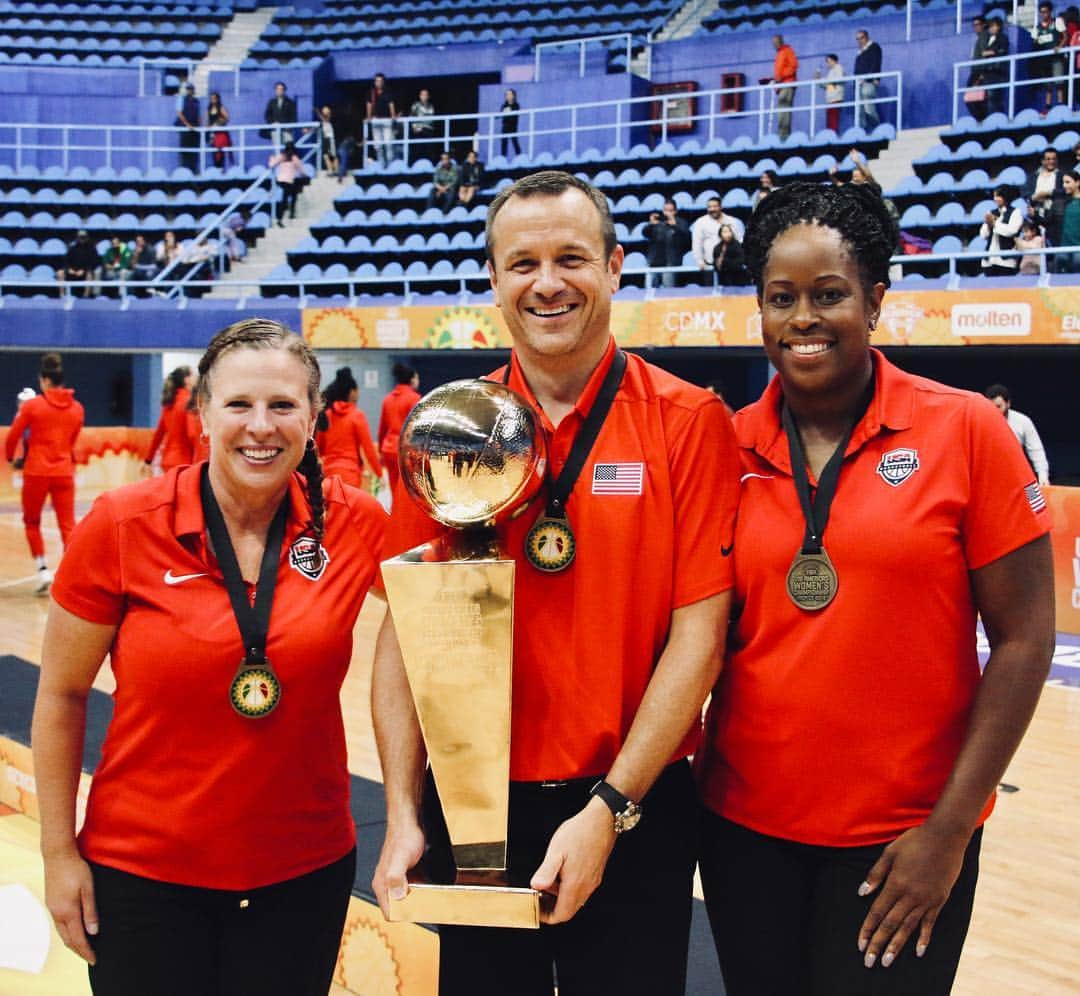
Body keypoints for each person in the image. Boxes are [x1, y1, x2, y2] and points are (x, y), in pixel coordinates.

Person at [371, 170, 740, 996]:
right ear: (494, 280)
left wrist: (609, 810)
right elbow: (406, 635)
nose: (547, 283)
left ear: (613, 267)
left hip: (634, 803)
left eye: (571, 257)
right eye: (522, 262)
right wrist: (401, 812)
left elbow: (700, 639)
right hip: (474, 812)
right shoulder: (442, 430)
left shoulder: (687, 421)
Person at [696, 180, 1054, 996]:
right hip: (743, 833)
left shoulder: (966, 431)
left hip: (905, 839)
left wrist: (952, 829)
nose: (803, 320)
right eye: (780, 298)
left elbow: (1028, 638)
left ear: (877, 298)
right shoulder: (724, 447)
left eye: (830, 295)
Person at [31, 318, 387, 996]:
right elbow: (61, 695)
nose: (262, 426)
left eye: (283, 406)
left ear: (313, 418)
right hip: (142, 878)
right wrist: (59, 853)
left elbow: (439, 612)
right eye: (239, 405)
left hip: (302, 875)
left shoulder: (356, 522)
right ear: (201, 414)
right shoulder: (121, 525)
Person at [4, 352, 84, 594]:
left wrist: (11, 458)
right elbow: (71, 440)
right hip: (63, 471)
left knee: (31, 521)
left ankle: (42, 570)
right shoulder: (78, 409)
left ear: (45, 381)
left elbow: (13, 437)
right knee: (68, 525)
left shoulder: (33, 406)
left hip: (36, 471)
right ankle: (71, 577)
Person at [315, 366, 381, 488]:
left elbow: (319, 448)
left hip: (329, 475)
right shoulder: (357, 415)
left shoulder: (326, 415)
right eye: (357, 390)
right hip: (351, 475)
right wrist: (379, 473)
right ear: (352, 392)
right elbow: (368, 448)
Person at [984, 384, 1051, 484]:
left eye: (998, 406)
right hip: (990, 476)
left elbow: (1036, 450)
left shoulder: (1023, 421)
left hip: (1020, 475)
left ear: (1008, 404)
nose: (995, 411)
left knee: (1035, 498)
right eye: (990, 407)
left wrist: (1043, 476)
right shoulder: (979, 421)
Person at [377, 362, 420, 496]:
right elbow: (417, 430)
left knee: (394, 489)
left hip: (389, 449)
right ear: (412, 380)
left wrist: (380, 452)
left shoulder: (387, 399)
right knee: (408, 492)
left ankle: (395, 514)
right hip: (406, 451)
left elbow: (382, 429)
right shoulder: (415, 398)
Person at [145, 366, 195, 472]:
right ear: (187, 380)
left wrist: (148, 460)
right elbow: (192, 434)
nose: (196, 377)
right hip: (185, 462)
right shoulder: (189, 402)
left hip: (167, 461)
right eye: (193, 375)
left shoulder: (168, 403)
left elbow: (158, 435)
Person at [644, 198, 691, 287]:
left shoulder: (681, 222)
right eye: (666, 210)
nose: (668, 213)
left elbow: (688, 238)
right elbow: (645, 233)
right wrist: (650, 224)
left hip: (670, 263)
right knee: (649, 289)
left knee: (668, 292)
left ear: (675, 211)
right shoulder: (657, 222)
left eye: (670, 210)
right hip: (653, 262)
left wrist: (675, 226)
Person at [692, 196, 746, 275]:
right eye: (709, 207)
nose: (712, 209)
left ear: (720, 207)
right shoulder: (701, 223)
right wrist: (700, 261)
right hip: (710, 266)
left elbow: (740, 240)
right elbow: (697, 244)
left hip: (732, 266)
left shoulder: (732, 221)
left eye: (715, 206)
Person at [1024, 147, 1066, 245]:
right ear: (1042, 161)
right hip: (1036, 215)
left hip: (1054, 217)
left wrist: (1049, 193)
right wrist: (1034, 197)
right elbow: (1026, 193)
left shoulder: (1062, 175)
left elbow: (1065, 191)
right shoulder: (1033, 176)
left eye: (1054, 159)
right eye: (1048, 159)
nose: (1051, 161)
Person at [979, 185, 1023, 276]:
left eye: (998, 196)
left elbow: (1012, 231)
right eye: (994, 196)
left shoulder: (1015, 212)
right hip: (989, 260)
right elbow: (983, 235)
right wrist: (988, 224)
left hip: (1006, 261)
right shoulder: (991, 212)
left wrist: (995, 224)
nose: (995, 199)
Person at [1031, 2, 1065, 111]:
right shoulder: (1037, 28)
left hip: (1056, 57)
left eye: (1045, 12)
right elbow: (1035, 43)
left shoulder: (1057, 22)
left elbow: (1065, 36)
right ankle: (1048, 106)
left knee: (1059, 81)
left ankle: (1060, 104)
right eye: (1041, 12)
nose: (1043, 14)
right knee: (1047, 84)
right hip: (1044, 60)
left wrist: (1059, 46)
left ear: (1050, 12)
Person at [56, 230, 101, 298]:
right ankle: (61, 295)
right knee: (60, 273)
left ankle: (85, 296)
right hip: (72, 272)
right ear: (77, 238)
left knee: (89, 274)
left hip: (84, 273)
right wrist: (69, 269)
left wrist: (84, 270)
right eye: (80, 237)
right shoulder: (72, 249)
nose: (82, 239)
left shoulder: (92, 249)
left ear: (87, 238)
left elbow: (94, 263)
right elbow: (66, 261)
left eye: (83, 237)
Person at [366, 72, 397, 168]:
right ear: (374, 82)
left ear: (383, 82)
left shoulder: (388, 92)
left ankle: (390, 165)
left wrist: (393, 116)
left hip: (386, 120)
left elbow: (391, 104)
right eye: (377, 81)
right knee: (378, 146)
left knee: (388, 144)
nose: (378, 83)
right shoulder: (371, 93)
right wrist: (369, 117)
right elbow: (369, 105)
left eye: (380, 81)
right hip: (376, 120)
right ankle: (381, 165)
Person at [853, 29, 883, 130]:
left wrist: (872, 78)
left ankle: (876, 129)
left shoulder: (874, 47)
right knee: (860, 110)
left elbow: (876, 63)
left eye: (861, 38)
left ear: (866, 37)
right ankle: (863, 132)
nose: (859, 41)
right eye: (857, 39)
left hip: (868, 82)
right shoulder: (860, 52)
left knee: (868, 108)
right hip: (859, 84)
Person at [771, 35, 798, 141]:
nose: (774, 44)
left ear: (780, 41)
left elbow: (794, 66)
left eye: (775, 42)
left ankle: (784, 135)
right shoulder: (780, 53)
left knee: (784, 111)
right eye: (773, 43)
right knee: (782, 112)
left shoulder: (787, 50)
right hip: (782, 85)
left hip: (787, 84)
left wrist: (780, 77)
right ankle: (782, 134)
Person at [269, 142, 302, 227]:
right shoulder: (294, 158)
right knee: (290, 197)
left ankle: (285, 216)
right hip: (289, 181)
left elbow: (271, 164)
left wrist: (271, 159)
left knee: (288, 197)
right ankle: (288, 215)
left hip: (281, 180)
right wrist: (305, 175)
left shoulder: (282, 156)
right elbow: (300, 169)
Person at [981, 16, 1009, 115]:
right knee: (989, 96)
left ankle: (997, 116)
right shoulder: (987, 39)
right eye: (990, 26)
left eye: (994, 26)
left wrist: (991, 52)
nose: (991, 28)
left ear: (999, 27)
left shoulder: (1003, 38)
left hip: (997, 71)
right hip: (988, 71)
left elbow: (1003, 50)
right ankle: (991, 116)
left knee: (995, 96)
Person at [965, 14, 990, 121]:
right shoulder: (980, 38)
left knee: (972, 97)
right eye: (974, 25)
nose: (976, 27)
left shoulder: (984, 36)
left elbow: (985, 55)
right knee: (973, 97)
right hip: (977, 71)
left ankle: (981, 119)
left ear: (984, 25)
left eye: (978, 24)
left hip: (979, 71)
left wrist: (981, 75)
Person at [1056, 169, 1080, 270]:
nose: (1064, 185)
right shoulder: (1063, 202)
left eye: (1067, 182)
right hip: (1063, 250)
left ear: (1078, 182)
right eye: (1063, 182)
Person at [263, 81, 298, 149]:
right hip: (275, 130)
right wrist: (272, 123)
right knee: (278, 149)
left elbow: (293, 117)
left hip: (287, 131)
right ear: (275, 90)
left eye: (281, 89)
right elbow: (267, 115)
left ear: (284, 90)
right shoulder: (272, 102)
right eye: (278, 89)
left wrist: (289, 126)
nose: (279, 91)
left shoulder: (290, 102)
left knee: (289, 149)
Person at [175, 82, 200, 173]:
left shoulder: (196, 101)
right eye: (188, 89)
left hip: (194, 128)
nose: (190, 91)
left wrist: (198, 126)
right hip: (185, 129)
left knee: (194, 150)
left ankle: (194, 170)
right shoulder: (182, 99)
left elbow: (198, 115)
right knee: (185, 149)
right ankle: (184, 170)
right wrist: (187, 124)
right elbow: (179, 113)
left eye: (191, 89)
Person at [408, 87, 437, 163]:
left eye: (426, 95)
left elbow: (430, 120)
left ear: (428, 96)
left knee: (429, 149)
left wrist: (423, 126)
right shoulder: (415, 105)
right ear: (420, 96)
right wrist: (415, 127)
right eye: (422, 95)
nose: (424, 96)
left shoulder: (431, 106)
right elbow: (411, 117)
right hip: (418, 131)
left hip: (428, 130)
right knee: (418, 149)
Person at [817, 53, 844, 133]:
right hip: (830, 99)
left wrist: (825, 82)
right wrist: (819, 80)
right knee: (830, 120)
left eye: (828, 61)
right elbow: (829, 86)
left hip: (836, 98)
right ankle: (830, 134)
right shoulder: (830, 72)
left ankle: (833, 135)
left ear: (833, 61)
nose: (827, 64)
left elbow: (837, 81)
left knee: (833, 120)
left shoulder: (838, 68)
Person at [207, 91, 231, 169]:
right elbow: (207, 120)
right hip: (212, 134)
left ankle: (221, 169)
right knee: (214, 152)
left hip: (220, 134)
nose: (213, 100)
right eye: (211, 98)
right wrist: (208, 129)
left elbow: (227, 118)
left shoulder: (221, 107)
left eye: (214, 98)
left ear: (218, 99)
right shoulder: (209, 108)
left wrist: (218, 123)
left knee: (220, 153)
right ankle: (216, 169)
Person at [315, 105, 338, 176]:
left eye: (326, 110)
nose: (324, 111)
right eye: (323, 110)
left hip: (330, 139)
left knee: (333, 156)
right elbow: (318, 126)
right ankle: (331, 170)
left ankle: (335, 170)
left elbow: (325, 119)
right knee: (326, 156)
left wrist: (318, 112)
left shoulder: (330, 118)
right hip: (325, 139)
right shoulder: (323, 121)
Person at [499, 88, 522, 158]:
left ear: (513, 96)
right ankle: (503, 158)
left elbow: (514, 115)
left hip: (513, 126)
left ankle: (519, 157)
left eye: (510, 94)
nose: (508, 96)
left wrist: (508, 111)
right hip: (505, 126)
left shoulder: (516, 105)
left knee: (515, 142)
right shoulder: (504, 105)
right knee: (504, 142)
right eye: (507, 94)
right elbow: (500, 114)